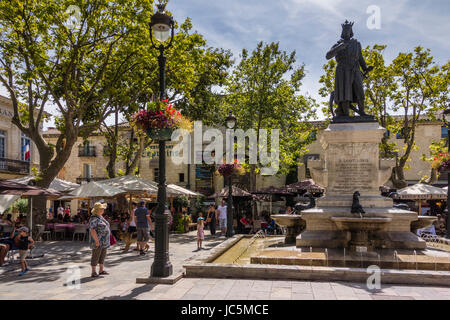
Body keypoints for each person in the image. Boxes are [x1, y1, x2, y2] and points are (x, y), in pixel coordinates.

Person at [88, 202, 111, 278]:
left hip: (104, 241)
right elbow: (92, 230)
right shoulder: (94, 218)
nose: (103, 210)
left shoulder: (100, 217)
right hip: (98, 240)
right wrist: (96, 241)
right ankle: (93, 271)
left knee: (102, 255)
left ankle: (101, 270)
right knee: (96, 255)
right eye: (102, 209)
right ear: (97, 210)